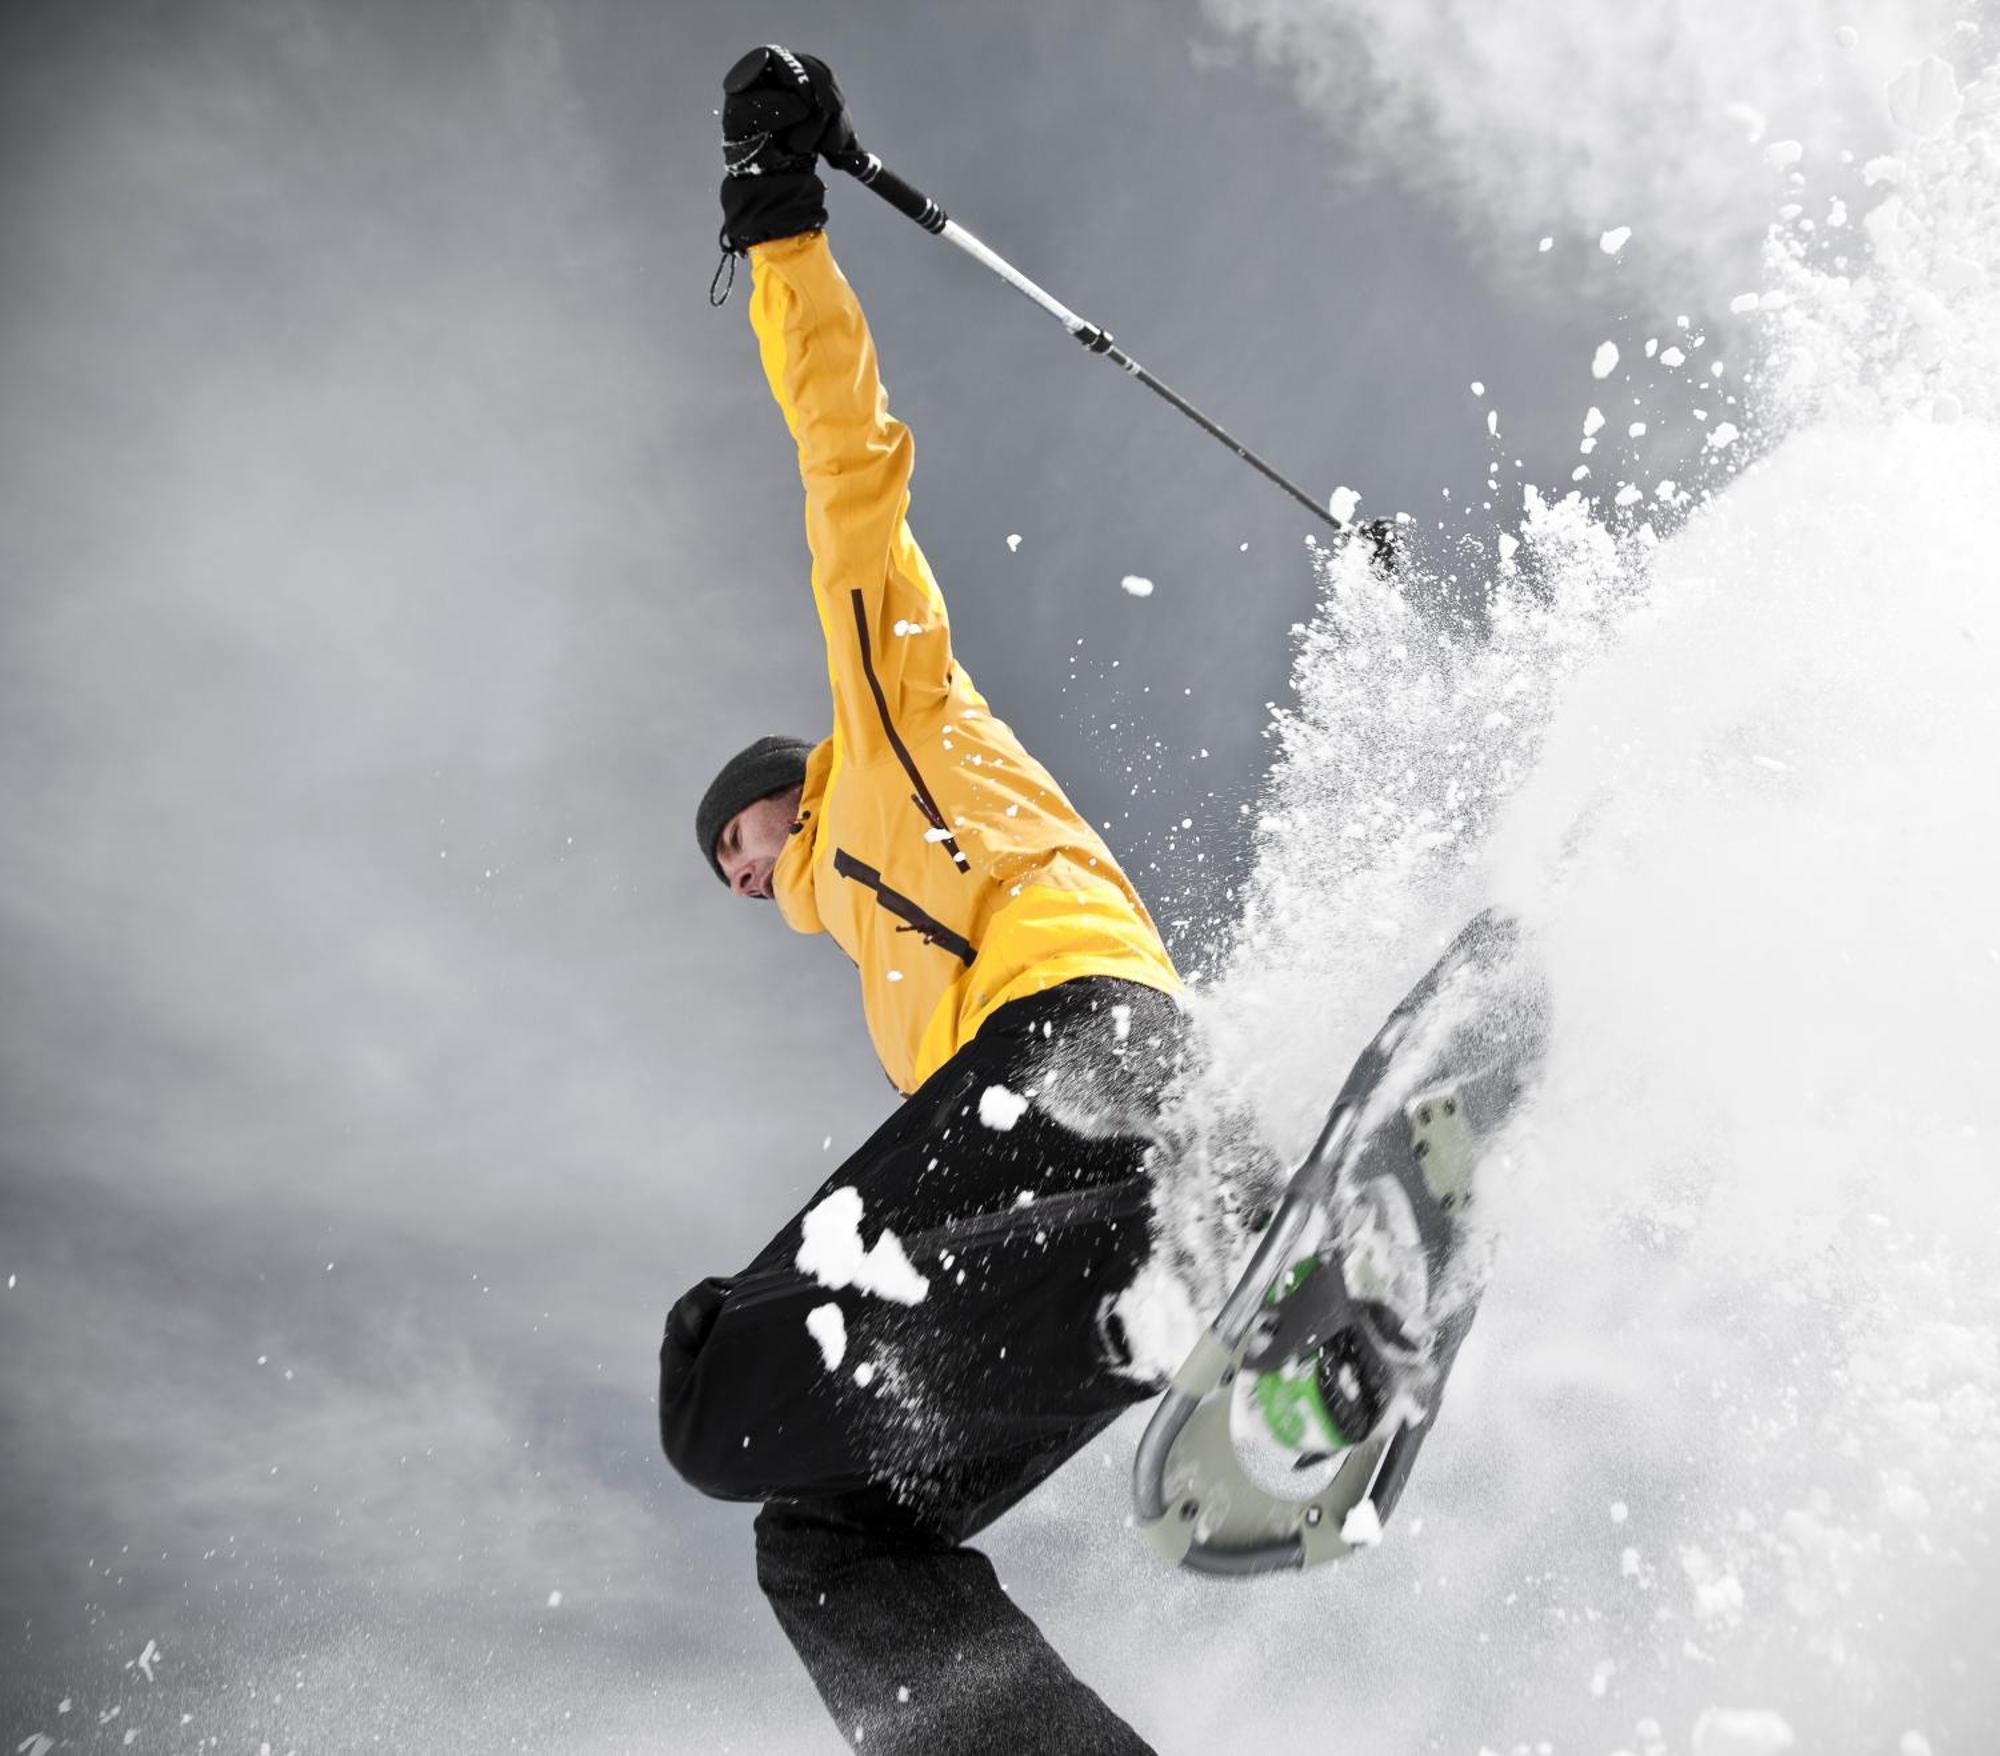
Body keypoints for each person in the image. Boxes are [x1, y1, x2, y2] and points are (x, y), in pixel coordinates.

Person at [659, 45, 1201, 1756]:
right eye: (736, 875)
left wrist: (778, 224)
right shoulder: (881, 975)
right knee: (819, 1533)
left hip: (1088, 1047)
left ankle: (1212, 1196)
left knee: (713, 1385)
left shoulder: (886, 728)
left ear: (770, 797)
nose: (744, 883)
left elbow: (850, 472)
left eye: (732, 847)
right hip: (1050, 1191)